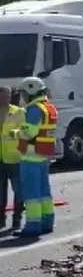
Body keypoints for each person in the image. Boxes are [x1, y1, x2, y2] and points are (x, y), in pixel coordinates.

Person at [12, 77, 58, 237]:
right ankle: (47, 221)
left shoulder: (34, 109)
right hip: (44, 155)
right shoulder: (49, 108)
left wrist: (15, 133)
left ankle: (33, 224)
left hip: (31, 155)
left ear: (31, 91)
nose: (23, 97)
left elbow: (28, 133)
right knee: (44, 192)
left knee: (31, 193)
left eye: (24, 93)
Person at [0, 86, 24, 230]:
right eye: (2, 95)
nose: (4, 98)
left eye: (6, 95)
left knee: (19, 192)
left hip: (15, 159)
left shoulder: (19, 112)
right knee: (0, 194)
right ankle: (1, 220)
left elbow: (27, 133)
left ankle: (17, 220)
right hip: (0, 160)